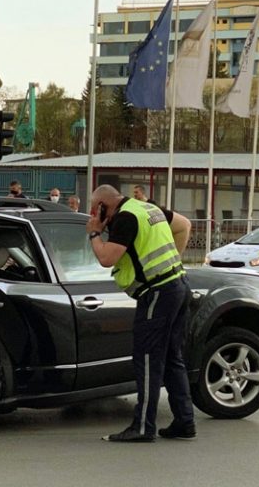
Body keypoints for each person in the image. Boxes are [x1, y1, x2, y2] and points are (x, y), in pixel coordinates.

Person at [86, 184, 194, 443]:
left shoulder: (125, 218)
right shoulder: (147, 207)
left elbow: (106, 258)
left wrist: (94, 234)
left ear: (103, 206)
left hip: (157, 293)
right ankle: (185, 422)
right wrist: (172, 263)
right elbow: (184, 225)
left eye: (94, 210)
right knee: (171, 357)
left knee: (147, 360)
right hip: (177, 285)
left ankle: (143, 427)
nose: (93, 216)